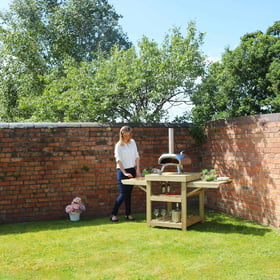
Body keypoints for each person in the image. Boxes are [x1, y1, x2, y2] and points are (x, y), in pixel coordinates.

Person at [110, 126, 141, 222]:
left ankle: (128, 214)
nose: (127, 137)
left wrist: (138, 170)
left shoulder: (133, 143)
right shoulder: (118, 145)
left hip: (132, 170)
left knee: (129, 194)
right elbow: (118, 160)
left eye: (128, 135)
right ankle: (113, 215)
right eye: (125, 135)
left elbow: (137, 157)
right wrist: (124, 172)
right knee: (123, 194)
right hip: (122, 171)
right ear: (122, 134)